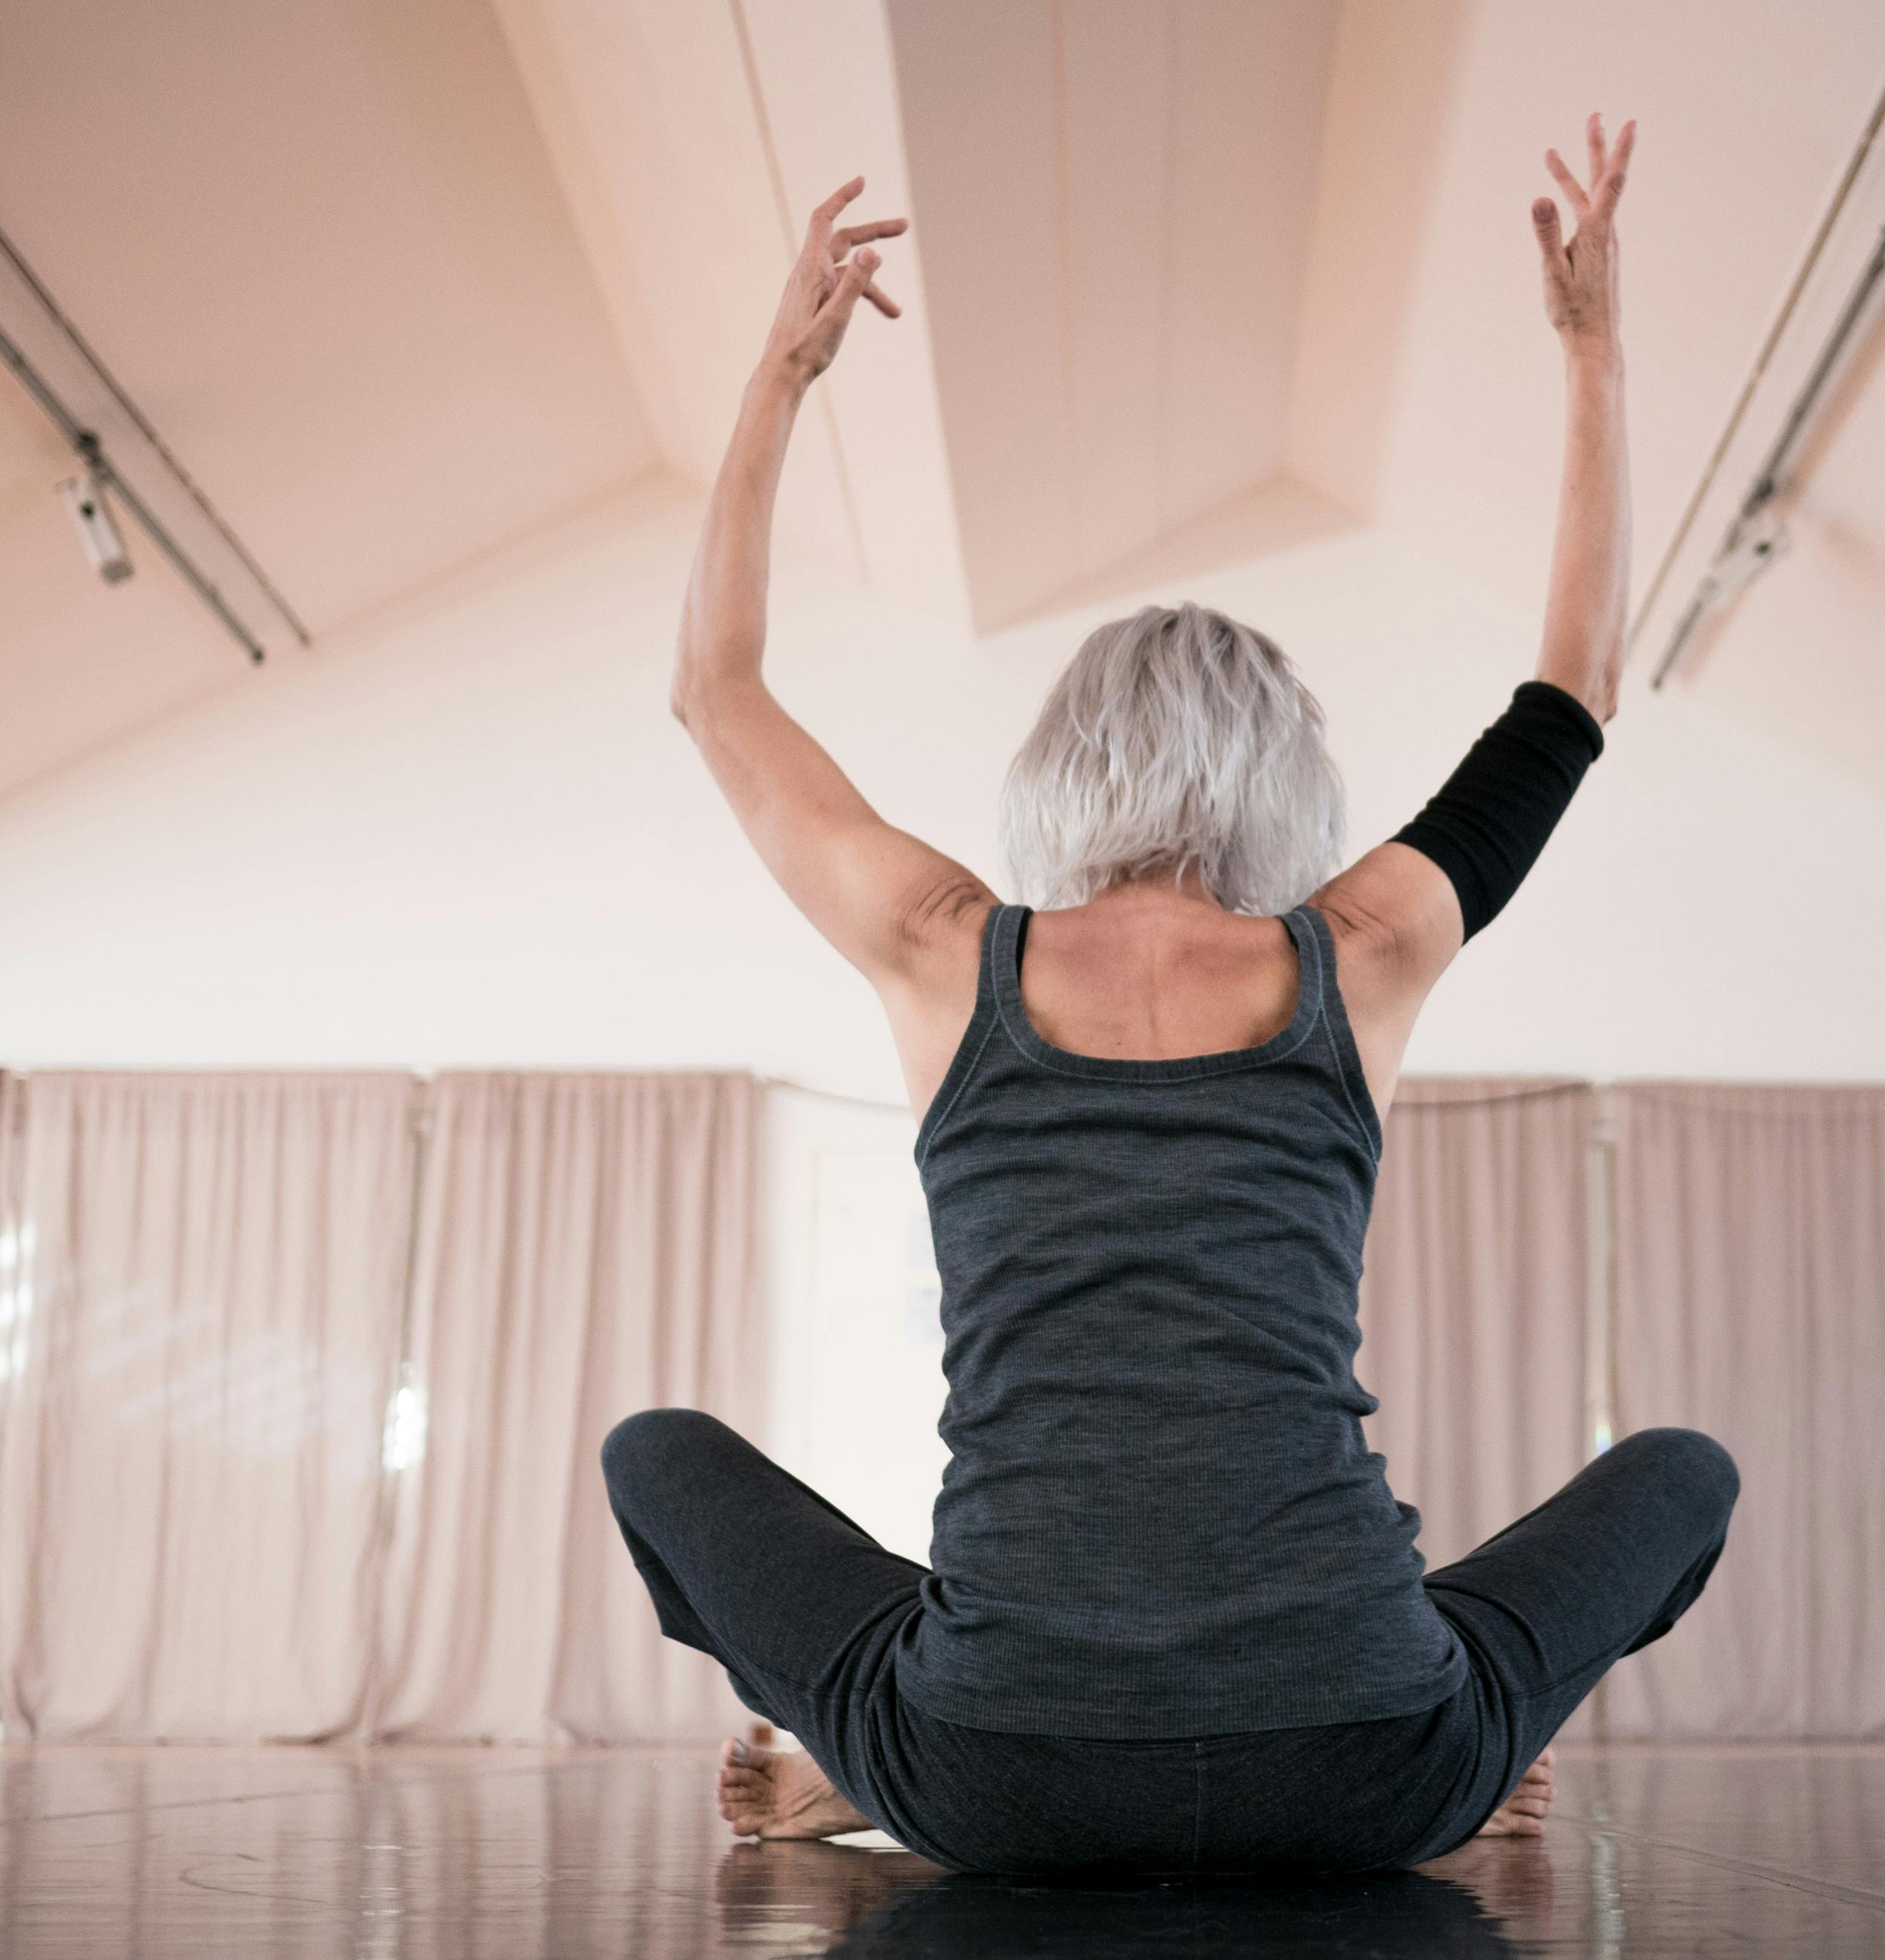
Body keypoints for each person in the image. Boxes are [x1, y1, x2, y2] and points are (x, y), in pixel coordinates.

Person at [600, 117, 1740, 1876]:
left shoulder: (935, 939)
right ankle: (1459, 1721)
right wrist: (1592, 350)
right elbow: (1574, 686)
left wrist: (783, 374)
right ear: (1287, 782)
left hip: (999, 1774)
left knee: (656, 1448)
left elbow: (712, 682)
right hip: (1372, 1762)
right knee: (1683, 1467)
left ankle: (871, 1755)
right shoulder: (1362, 946)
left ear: (1061, 774)